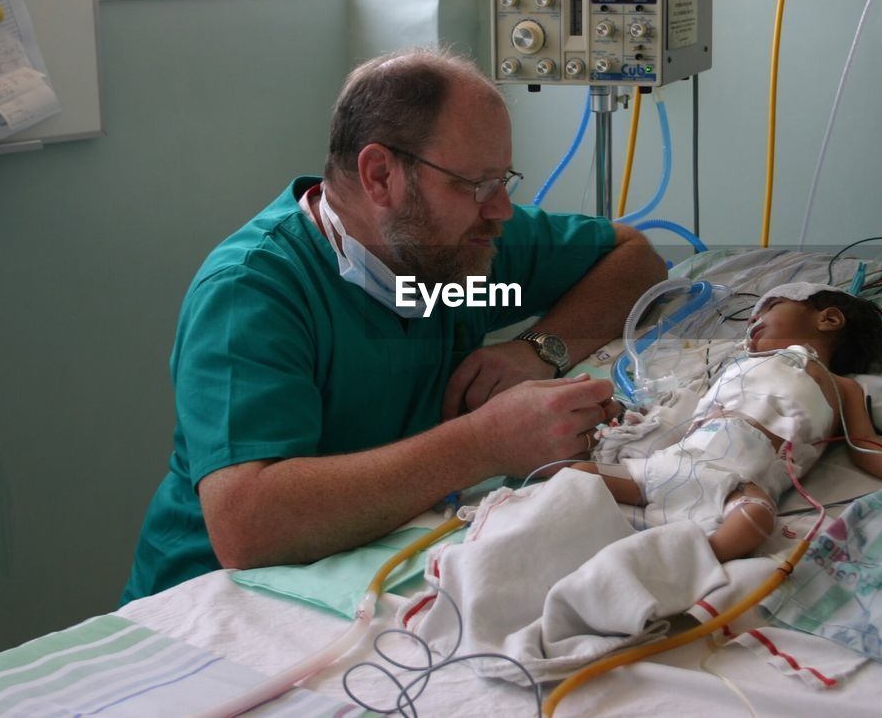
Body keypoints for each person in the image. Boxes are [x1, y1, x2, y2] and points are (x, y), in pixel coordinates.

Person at [122, 49, 666, 602]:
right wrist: (484, 443)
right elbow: (248, 524)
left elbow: (634, 259)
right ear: (381, 175)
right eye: (475, 185)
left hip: (370, 569)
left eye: (503, 180)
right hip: (217, 602)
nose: (500, 209)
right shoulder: (254, 292)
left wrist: (537, 349)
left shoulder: (453, 250)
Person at [577, 283, 882, 563]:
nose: (751, 322)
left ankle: (696, 556)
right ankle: (569, 515)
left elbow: (864, 445)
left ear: (828, 319)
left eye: (767, 308)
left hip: (741, 484)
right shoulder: (737, 365)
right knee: (577, 473)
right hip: (669, 464)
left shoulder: (842, 386)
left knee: (757, 519)